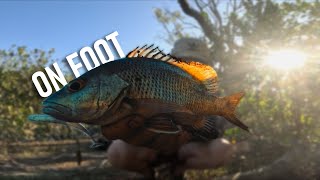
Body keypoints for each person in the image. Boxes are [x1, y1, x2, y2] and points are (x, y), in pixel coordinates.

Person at [107, 38, 236, 177]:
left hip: (187, 151)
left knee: (223, 149)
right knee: (117, 151)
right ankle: (148, 174)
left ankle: (178, 170)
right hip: (152, 148)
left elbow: (216, 132)